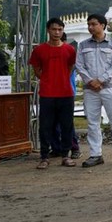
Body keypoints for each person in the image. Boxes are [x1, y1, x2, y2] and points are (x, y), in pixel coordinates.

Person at [76, 13, 112, 167]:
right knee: (92, 122)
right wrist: (90, 81)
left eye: (94, 24)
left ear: (103, 25)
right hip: (90, 89)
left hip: (109, 88)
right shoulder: (83, 45)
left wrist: (100, 80)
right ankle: (95, 154)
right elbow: (79, 65)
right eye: (89, 24)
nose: (90, 27)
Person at [29, 18, 77, 170]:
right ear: (48, 30)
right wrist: (48, 79)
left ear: (63, 31)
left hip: (66, 93)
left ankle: (66, 156)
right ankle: (44, 157)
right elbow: (36, 69)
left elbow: (71, 67)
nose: (57, 32)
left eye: (60, 29)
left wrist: (61, 79)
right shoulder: (39, 50)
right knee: (45, 126)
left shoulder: (70, 50)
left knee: (67, 125)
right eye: (54, 29)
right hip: (47, 93)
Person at [49, 33, 81, 159]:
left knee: (66, 123)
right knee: (52, 122)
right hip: (50, 92)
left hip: (66, 92)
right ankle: (56, 148)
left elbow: (69, 70)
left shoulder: (69, 53)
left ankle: (74, 148)